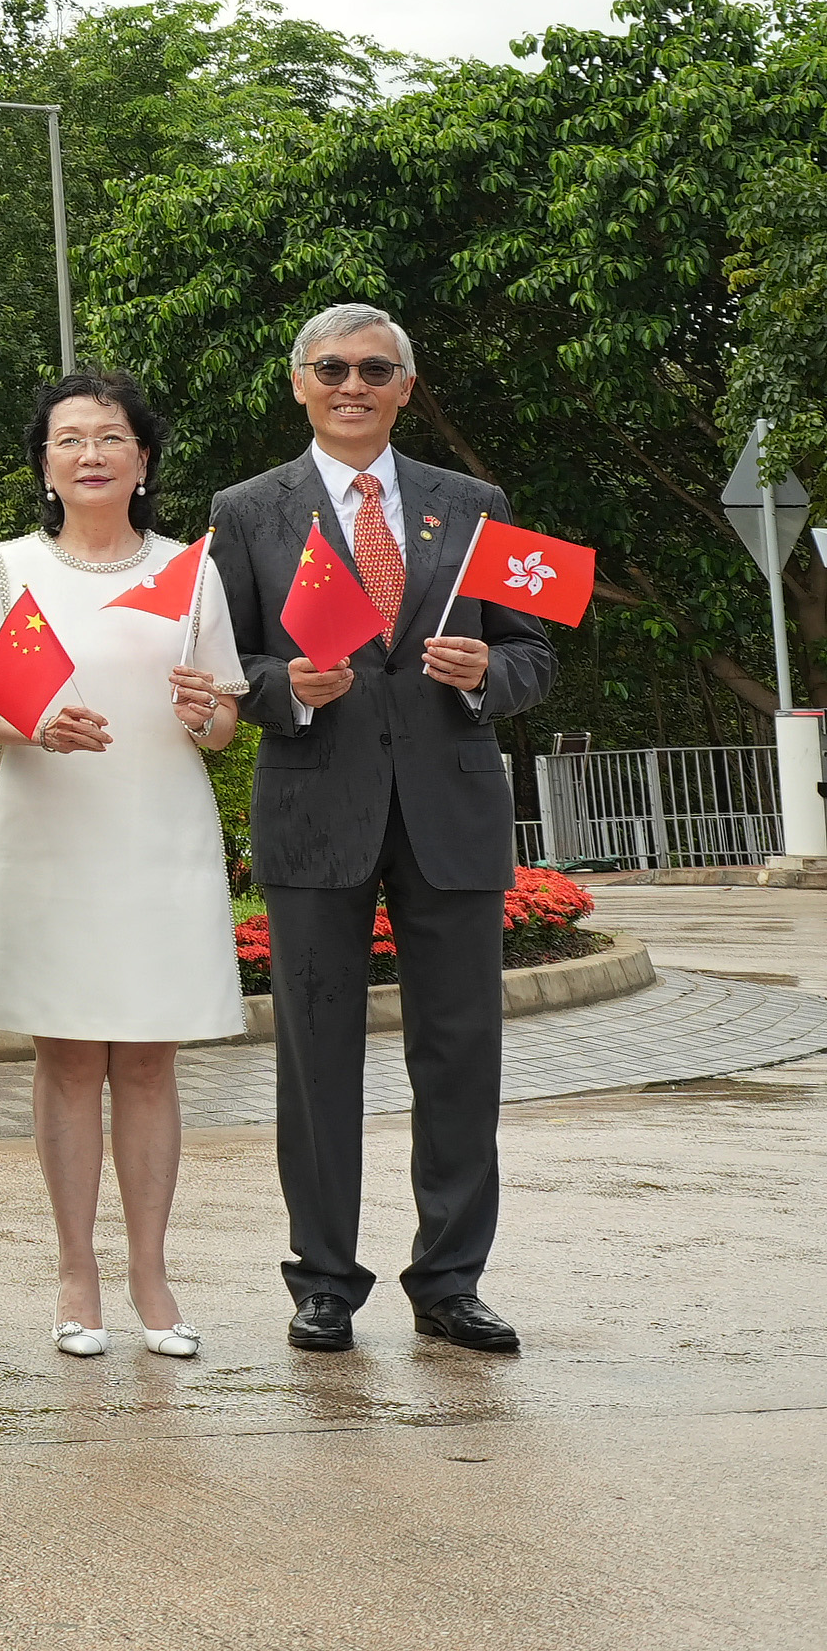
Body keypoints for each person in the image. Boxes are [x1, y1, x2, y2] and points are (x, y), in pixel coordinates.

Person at [206, 303, 556, 1358]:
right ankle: (324, 1280)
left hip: (451, 812)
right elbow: (228, 665)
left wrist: (490, 671)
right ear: (299, 383)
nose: (351, 384)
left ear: (405, 386)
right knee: (318, 1056)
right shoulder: (247, 510)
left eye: (374, 368)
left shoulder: (476, 505)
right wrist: (289, 687)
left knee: (460, 1054)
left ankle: (451, 1280)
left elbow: (534, 654)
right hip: (317, 807)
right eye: (331, 368)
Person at [0, 368, 245, 1360]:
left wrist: (205, 710)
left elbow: (222, 723)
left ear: (142, 459)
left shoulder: (190, 568)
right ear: (44, 463)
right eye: (69, 438)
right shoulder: (7, 569)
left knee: (150, 1057)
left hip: (158, 833)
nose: (90, 453)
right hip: (50, 834)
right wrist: (34, 724)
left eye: (111, 437)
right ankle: (75, 1271)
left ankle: (152, 1277)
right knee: (69, 1054)